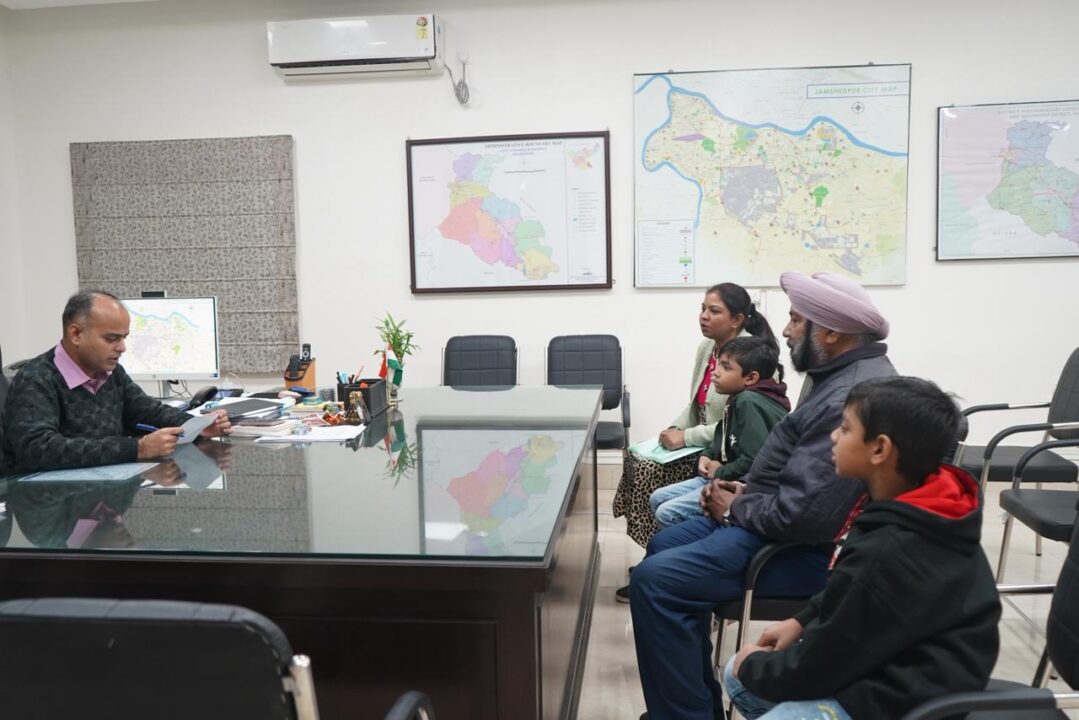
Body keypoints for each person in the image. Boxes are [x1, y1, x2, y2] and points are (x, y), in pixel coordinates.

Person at [631, 271, 896, 720]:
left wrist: (737, 506)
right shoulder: (835, 375)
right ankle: (696, 707)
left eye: (796, 320)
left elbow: (808, 517)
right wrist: (747, 489)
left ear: (831, 333)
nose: (787, 331)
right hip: (771, 523)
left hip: (797, 550)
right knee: (664, 543)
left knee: (656, 582)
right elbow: (801, 480)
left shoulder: (846, 396)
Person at [725, 376, 1001, 720]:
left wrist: (755, 665)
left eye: (845, 428)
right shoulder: (912, 502)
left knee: (747, 671)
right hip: (897, 668)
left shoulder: (891, 548)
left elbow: (822, 663)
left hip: (907, 702)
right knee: (737, 674)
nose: (833, 436)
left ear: (880, 450)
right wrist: (802, 620)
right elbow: (851, 596)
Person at [612, 282, 777, 602]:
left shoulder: (752, 357)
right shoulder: (707, 348)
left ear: (737, 320)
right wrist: (676, 427)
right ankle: (657, 555)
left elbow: (737, 427)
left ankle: (664, 563)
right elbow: (696, 405)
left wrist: (687, 437)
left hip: (723, 451)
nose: (703, 316)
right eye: (702, 309)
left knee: (652, 473)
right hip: (710, 444)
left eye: (714, 311)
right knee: (637, 458)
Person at [0, 290, 231, 474]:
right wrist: (137, 449)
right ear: (76, 334)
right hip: (53, 505)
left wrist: (196, 426)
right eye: (111, 338)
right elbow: (38, 450)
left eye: (123, 337)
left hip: (103, 491)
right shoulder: (36, 379)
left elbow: (148, 411)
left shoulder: (111, 372)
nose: (122, 347)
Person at [648, 336, 790, 528]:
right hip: (722, 474)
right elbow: (722, 434)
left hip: (738, 485)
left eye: (726, 367)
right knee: (657, 497)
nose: (715, 372)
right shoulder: (738, 397)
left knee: (667, 513)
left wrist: (720, 471)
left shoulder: (748, 402)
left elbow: (753, 459)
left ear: (751, 378)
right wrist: (707, 455)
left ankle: (696, 540)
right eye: (718, 364)